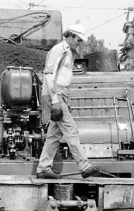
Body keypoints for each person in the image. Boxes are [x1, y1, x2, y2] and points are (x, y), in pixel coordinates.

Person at [35, 24, 104, 179]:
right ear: (70, 36)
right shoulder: (59, 50)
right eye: (78, 40)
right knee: (71, 129)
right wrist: (55, 101)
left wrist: (65, 99)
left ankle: (43, 168)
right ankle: (84, 166)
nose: (79, 43)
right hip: (55, 95)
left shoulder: (69, 52)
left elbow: (63, 78)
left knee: (54, 134)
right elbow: (49, 74)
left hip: (61, 95)